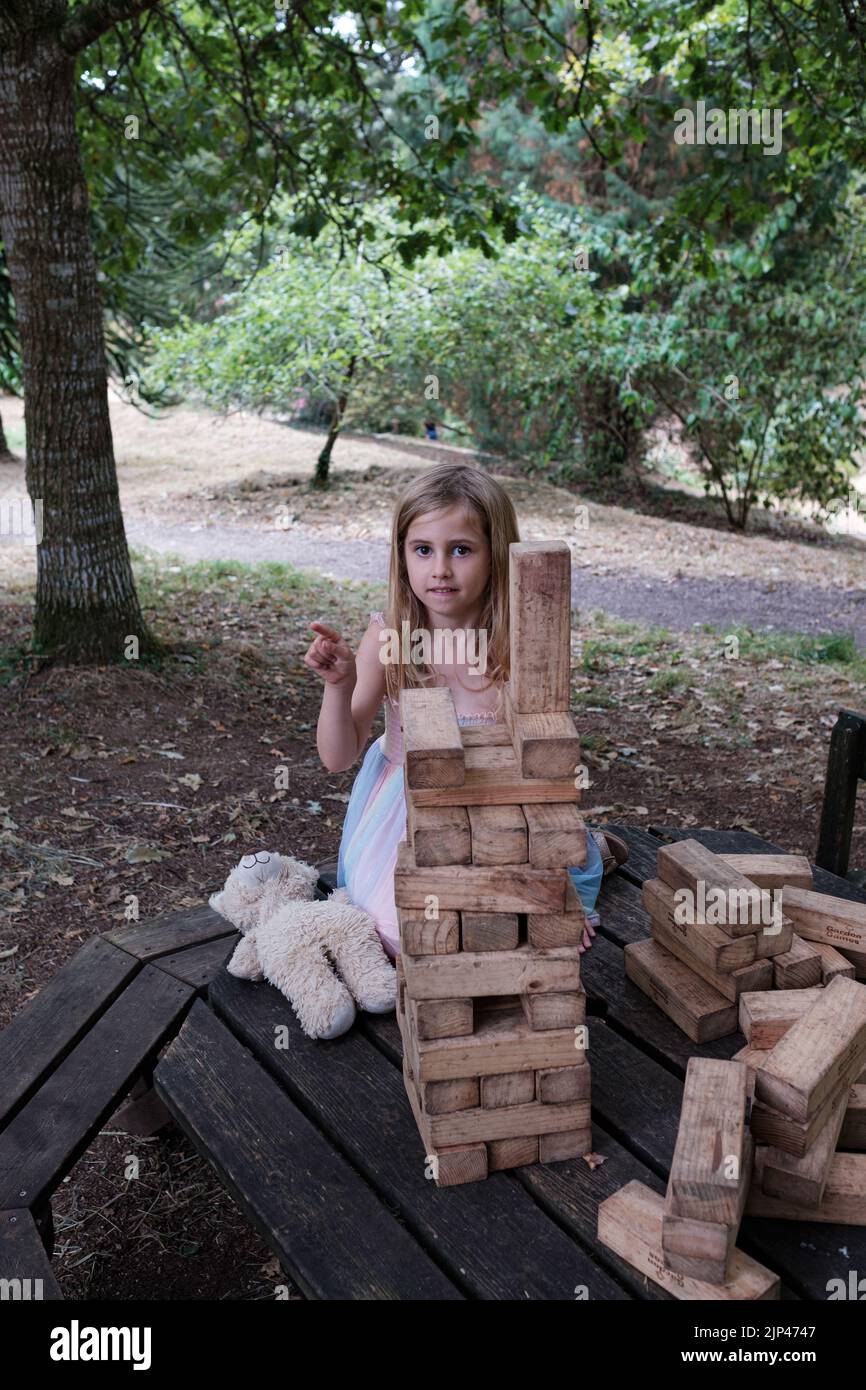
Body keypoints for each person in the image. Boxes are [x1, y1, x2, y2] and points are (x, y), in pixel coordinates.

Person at [303, 462, 627, 961]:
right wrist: (339, 685)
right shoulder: (389, 637)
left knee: (517, 921)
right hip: (411, 815)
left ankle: (589, 853)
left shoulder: (521, 639)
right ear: (402, 555)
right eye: (423, 550)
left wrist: (553, 882)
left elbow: (544, 757)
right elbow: (336, 757)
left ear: (496, 554)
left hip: (502, 809)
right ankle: (597, 851)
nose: (440, 570)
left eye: (461, 550)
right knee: (397, 929)